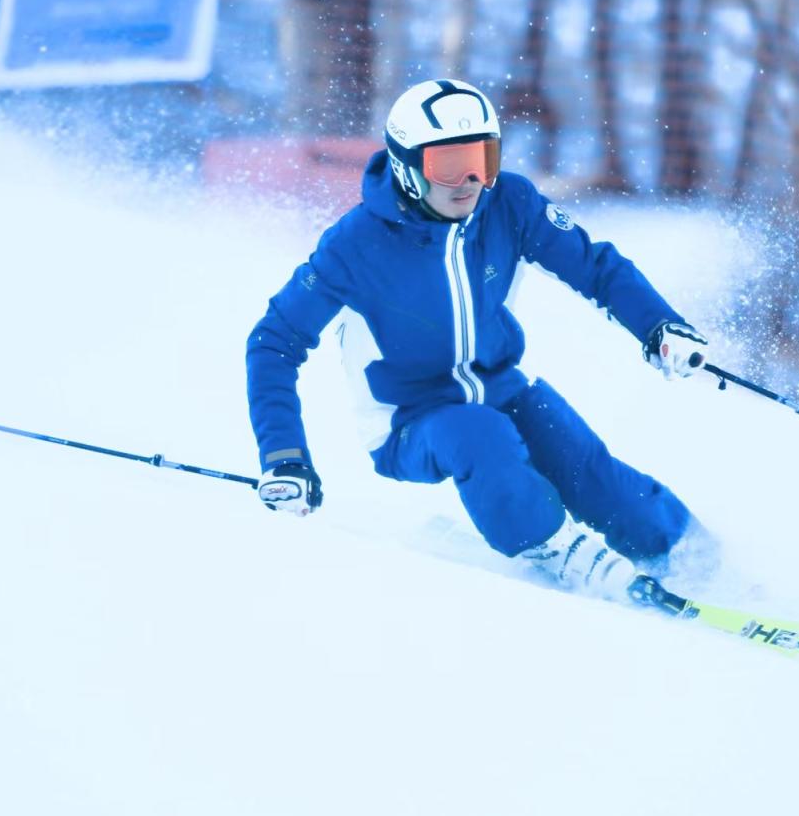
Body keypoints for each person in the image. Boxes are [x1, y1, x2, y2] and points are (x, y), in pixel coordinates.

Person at [246, 77, 711, 604]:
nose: (469, 181)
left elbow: (595, 267)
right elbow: (273, 342)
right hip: (409, 422)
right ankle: (555, 548)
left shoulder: (508, 203)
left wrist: (658, 325)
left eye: (482, 159)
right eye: (449, 165)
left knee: (594, 474)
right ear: (405, 165)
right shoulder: (355, 246)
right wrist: (284, 456)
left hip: (501, 389)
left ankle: (699, 562)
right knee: (477, 434)